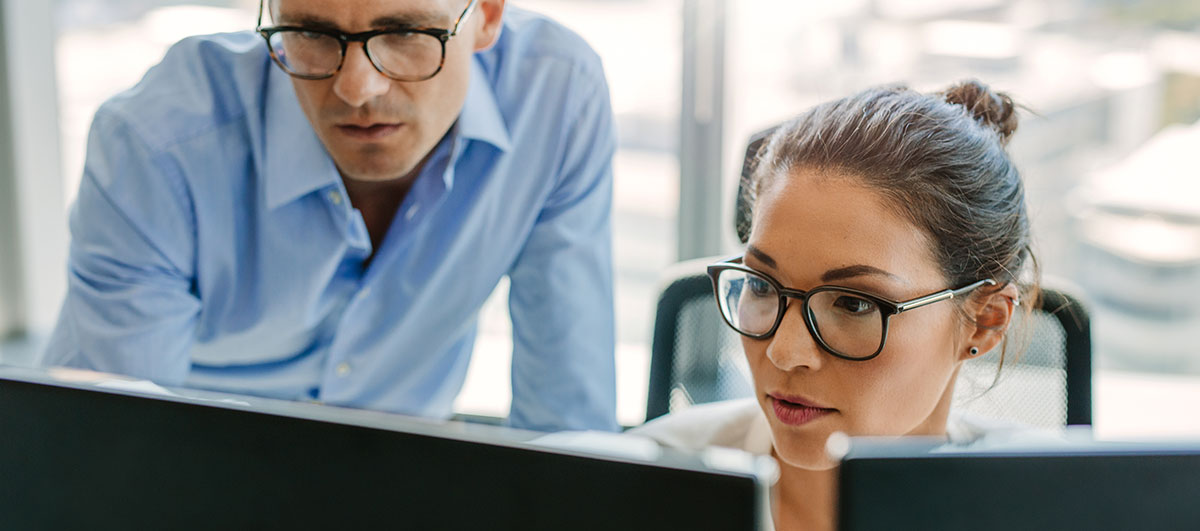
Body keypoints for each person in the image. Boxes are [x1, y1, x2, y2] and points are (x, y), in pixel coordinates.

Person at [41, 0, 619, 432]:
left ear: (487, 15)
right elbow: (113, 451)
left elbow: (565, 422)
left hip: (405, 482)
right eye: (312, 33)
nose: (356, 88)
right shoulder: (158, 144)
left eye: (404, 31)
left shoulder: (556, 97)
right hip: (192, 481)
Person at [632, 80, 1040, 530]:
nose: (783, 352)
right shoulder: (634, 484)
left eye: (852, 303)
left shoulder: (1053, 507)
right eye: (764, 286)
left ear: (983, 322)